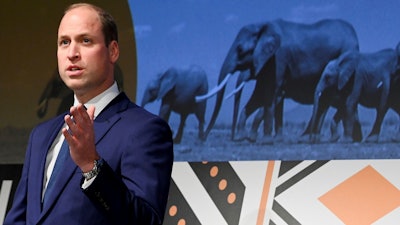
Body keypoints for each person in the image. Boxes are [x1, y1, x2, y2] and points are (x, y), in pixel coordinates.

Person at [4, 3, 173, 225]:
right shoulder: (41, 136)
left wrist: (92, 166)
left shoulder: (145, 130)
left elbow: (146, 221)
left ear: (113, 51)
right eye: (64, 42)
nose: (72, 53)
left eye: (86, 41)